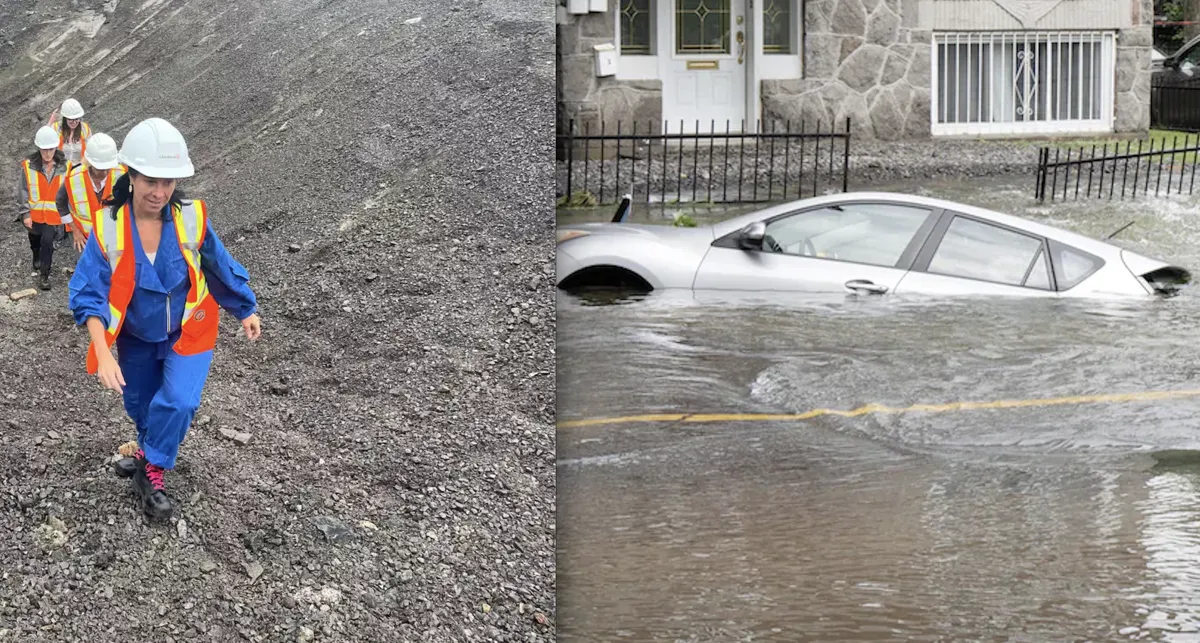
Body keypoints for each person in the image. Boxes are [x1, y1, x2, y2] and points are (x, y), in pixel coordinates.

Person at [68, 117, 262, 521]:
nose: (159, 192)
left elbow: (218, 265)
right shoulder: (109, 228)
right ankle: (146, 448)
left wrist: (245, 308)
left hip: (189, 329)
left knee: (179, 401)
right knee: (140, 404)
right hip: (136, 336)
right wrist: (103, 352)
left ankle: (151, 468)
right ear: (132, 176)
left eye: (168, 182)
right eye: (151, 180)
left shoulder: (192, 217)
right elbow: (89, 293)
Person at [56, 132, 125, 253]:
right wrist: (75, 231)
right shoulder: (74, 178)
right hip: (85, 239)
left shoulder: (123, 174)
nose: (105, 173)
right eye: (100, 168)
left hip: (115, 238)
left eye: (107, 168)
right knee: (88, 270)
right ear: (89, 162)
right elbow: (60, 202)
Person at [19, 125, 69, 290]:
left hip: (53, 217)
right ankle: (35, 254)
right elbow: (23, 190)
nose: (47, 154)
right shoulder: (28, 166)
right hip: (33, 215)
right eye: (44, 150)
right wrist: (25, 213)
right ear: (38, 148)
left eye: (51, 149)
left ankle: (44, 275)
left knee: (47, 242)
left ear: (56, 147)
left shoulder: (65, 167)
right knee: (35, 240)